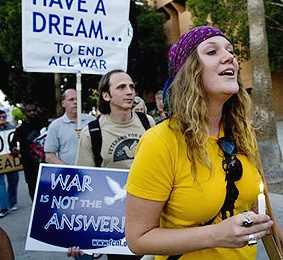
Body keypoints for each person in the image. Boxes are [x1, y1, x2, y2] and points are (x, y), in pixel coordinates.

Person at [125, 25, 283, 259]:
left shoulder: (242, 133)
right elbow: (138, 239)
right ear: (190, 72)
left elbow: (258, 209)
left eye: (230, 51)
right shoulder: (159, 142)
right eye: (212, 52)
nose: (229, 56)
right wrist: (217, 234)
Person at [68, 69, 155, 260]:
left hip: (152, 216)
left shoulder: (148, 123)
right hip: (115, 223)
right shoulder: (92, 132)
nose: (130, 91)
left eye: (131, 86)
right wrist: (80, 235)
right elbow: (84, 185)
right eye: (122, 87)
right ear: (106, 95)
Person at [44, 88, 95, 165]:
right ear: (63, 103)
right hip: (68, 173)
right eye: (71, 99)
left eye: (77, 99)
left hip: (92, 171)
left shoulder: (92, 121)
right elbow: (49, 156)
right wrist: (68, 170)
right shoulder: (55, 126)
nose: (75, 102)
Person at [10, 101, 48, 201]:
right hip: (30, 167)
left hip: (47, 165)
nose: (32, 113)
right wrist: (14, 149)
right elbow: (13, 144)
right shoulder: (21, 129)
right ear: (25, 113)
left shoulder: (46, 126)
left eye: (34, 110)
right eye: (29, 111)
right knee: (34, 192)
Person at [0, 110, 19, 217]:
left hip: (12, 160)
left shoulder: (12, 128)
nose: (2, 118)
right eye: (0, 117)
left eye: (4, 116)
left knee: (13, 181)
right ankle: (3, 207)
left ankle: (12, 202)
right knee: (0, 184)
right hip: (1, 161)